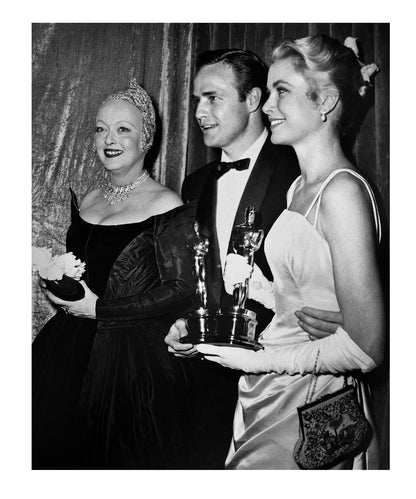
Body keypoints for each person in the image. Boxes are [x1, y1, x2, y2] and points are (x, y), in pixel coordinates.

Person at [195, 34, 385, 469]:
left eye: (281, 91)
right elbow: (301, 296)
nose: (265, 106)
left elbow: (366, 348)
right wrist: (255, 284)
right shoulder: (301, 187)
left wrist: (259, 361)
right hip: (268, 396)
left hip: (311, 403)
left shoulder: (342, 192)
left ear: (325, 102)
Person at [165, 48, 345, 469]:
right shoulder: (193, 184)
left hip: (289, 385)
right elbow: (196, 278)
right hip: (207, 384)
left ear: (252, 100)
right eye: (195, 100)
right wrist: (183, 325)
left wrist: (351, 319)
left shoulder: (302, 171)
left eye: (212, 97)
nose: (199, 111)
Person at [32, 80, 197, 469]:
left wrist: (100, 310)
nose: (109, 138)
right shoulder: (89, 197)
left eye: (123, 129)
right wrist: (55, 280)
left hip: (125, 358)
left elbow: (180, 292)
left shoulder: (167, 203)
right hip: (66, 347)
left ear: (147, 140)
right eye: (101, 128)